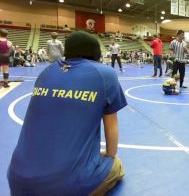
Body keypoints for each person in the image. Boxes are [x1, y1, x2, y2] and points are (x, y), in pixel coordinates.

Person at [8, 31, 127, 196]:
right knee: (116, 165)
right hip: (65, 186)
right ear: (96, 53)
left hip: (18, 182)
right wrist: (110, 157)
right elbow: (111, 127)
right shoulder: (104, 74)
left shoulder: (46, 72)